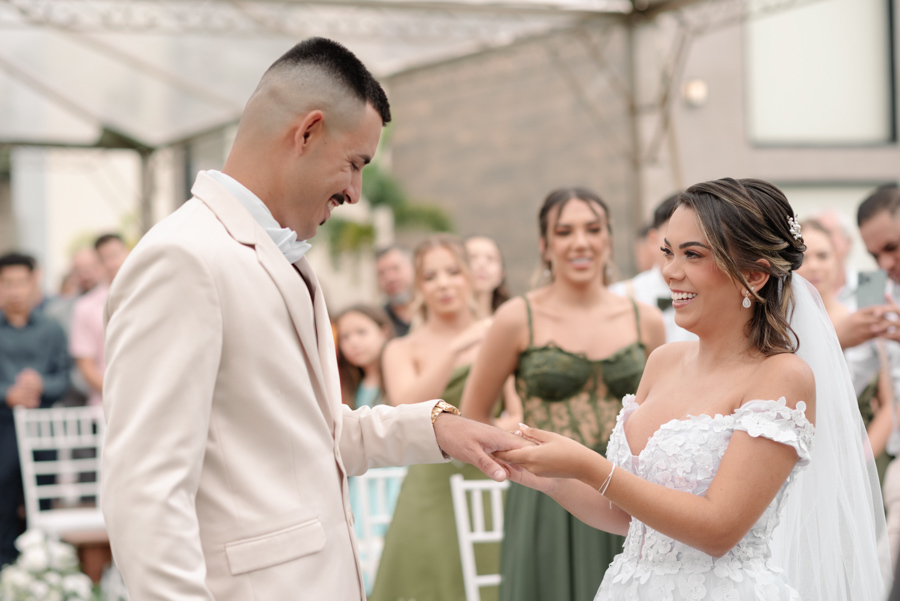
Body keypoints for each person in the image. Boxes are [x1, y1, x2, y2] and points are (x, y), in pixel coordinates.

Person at [100, 38, 528, 601]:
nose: (354, 192)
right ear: (307, 132)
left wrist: (438, 428)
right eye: (355, 163)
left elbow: (319, 435)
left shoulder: (284, 258)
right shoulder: (182, 259)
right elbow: (145, 490)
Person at [495, 178, 888, 600]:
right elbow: (629, 517)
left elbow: (719, 530)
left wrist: (590, 466)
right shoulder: (662, 361)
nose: (669, 271)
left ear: (753, 275)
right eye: (668, 252)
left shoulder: (781, 376)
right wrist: (550, 477)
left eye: (693, 254)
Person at [461, 187, 666, 601]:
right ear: (545, 244)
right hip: (545, 499)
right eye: (564, 231)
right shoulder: (516, 318)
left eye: (593, 229)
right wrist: (522, 456)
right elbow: (473, 418)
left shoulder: (645, 320)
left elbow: (661, 416)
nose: (580, 242)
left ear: (608, 238)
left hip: (623, 492)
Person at [370, 234, 500, 601]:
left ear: (469, 277)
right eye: (430, 276)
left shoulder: (498, 335)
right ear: (418, 287)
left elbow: (518, 412)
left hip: (493, 479)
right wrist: (456, 348)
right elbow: (406, 409)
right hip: (430, 485)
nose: (443, 284)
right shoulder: (400, 349)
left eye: (453, 272)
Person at [0, 252, 70, 567]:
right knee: (3, 499)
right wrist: (9, 394)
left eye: (21, 282)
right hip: (4, 426)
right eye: (7, 282)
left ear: (33, 283)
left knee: (42, 499)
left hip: (43, 426)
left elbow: (64, 378)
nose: (15, 290)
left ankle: (40, 568)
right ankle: (5, 568)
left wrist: (40, 385)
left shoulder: (52, 329)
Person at [334, 304, 399, 593]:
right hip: (362, 484)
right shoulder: (350, 387)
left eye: (361, 332)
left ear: (384, 331)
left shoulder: (397, 381)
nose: (353, 342)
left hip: (394, 479)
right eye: (346, 337)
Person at [611, 193, 696, 342]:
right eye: (672, 237)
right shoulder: (620, 296)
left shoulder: (717, 297)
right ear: (652, 239)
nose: (683, 245)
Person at [70, 234, 129, 407]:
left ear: (128, 253)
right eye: (104, 259)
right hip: (105, 405)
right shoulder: (85, 307)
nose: (112, 263)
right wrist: (116, 396)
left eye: (116, 255)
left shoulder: (147, 296)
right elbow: (85, 365)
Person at [465, 235, 511, 319]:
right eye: (472, 256)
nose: (481, 264)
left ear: (501, 274)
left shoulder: (512, 320)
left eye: (490, 258)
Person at [375, 245, 415, 336]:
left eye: (395, 268)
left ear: (413, 267)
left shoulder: (434, 310)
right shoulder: (378, 321)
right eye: (381, 273)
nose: (389, 278)